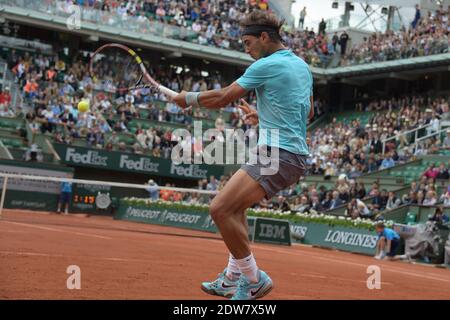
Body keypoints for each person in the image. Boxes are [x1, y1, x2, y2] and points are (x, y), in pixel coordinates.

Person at [173, 10, 314, 300]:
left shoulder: (266, 65)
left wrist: (188, 99)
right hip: (288, 152)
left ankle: (253, 279)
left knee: (220, 209)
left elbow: (224, 96)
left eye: (248, 42)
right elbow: (306, 112)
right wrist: (264, 116)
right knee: (236, 210)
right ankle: (231, 277)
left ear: (264, 37)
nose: (246, 48)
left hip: (279, 153)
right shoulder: (302, 66)